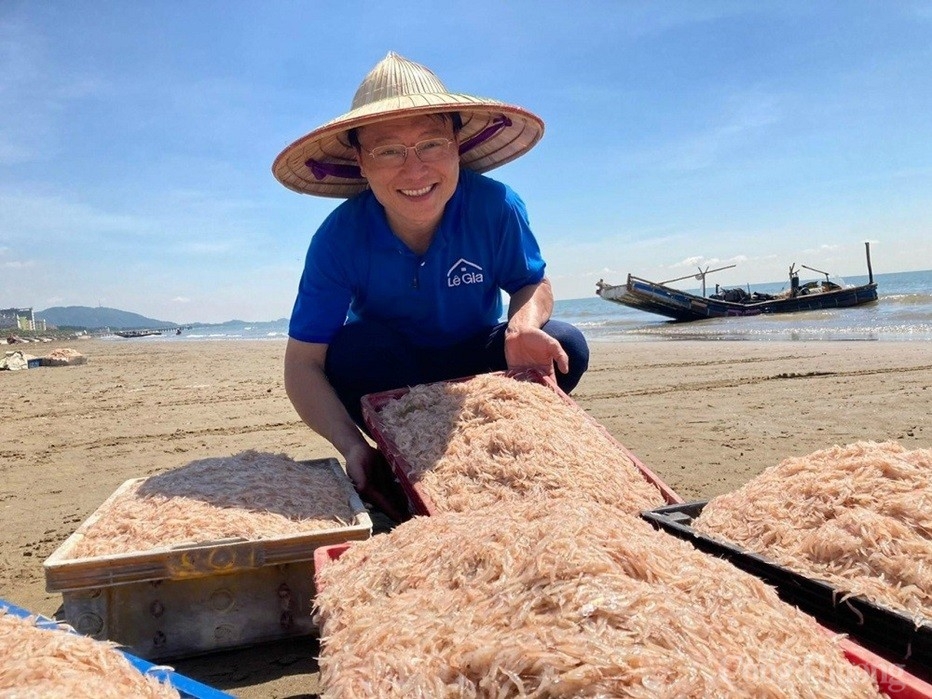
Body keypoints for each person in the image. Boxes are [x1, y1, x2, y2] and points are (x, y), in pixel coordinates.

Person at [273, 52, 589, 518]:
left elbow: (532, 281)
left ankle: (500, 446)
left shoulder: (495, 206)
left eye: (431, 145)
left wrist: (521, 326)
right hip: (390, 376)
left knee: (565, 343)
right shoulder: (338, 238)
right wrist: (351, 446)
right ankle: (395, 454)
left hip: (472, 365)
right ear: (360, 161)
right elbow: (302, 364)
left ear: (457, 145)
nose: (415, 170)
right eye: (388, 151)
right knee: (352, 349)